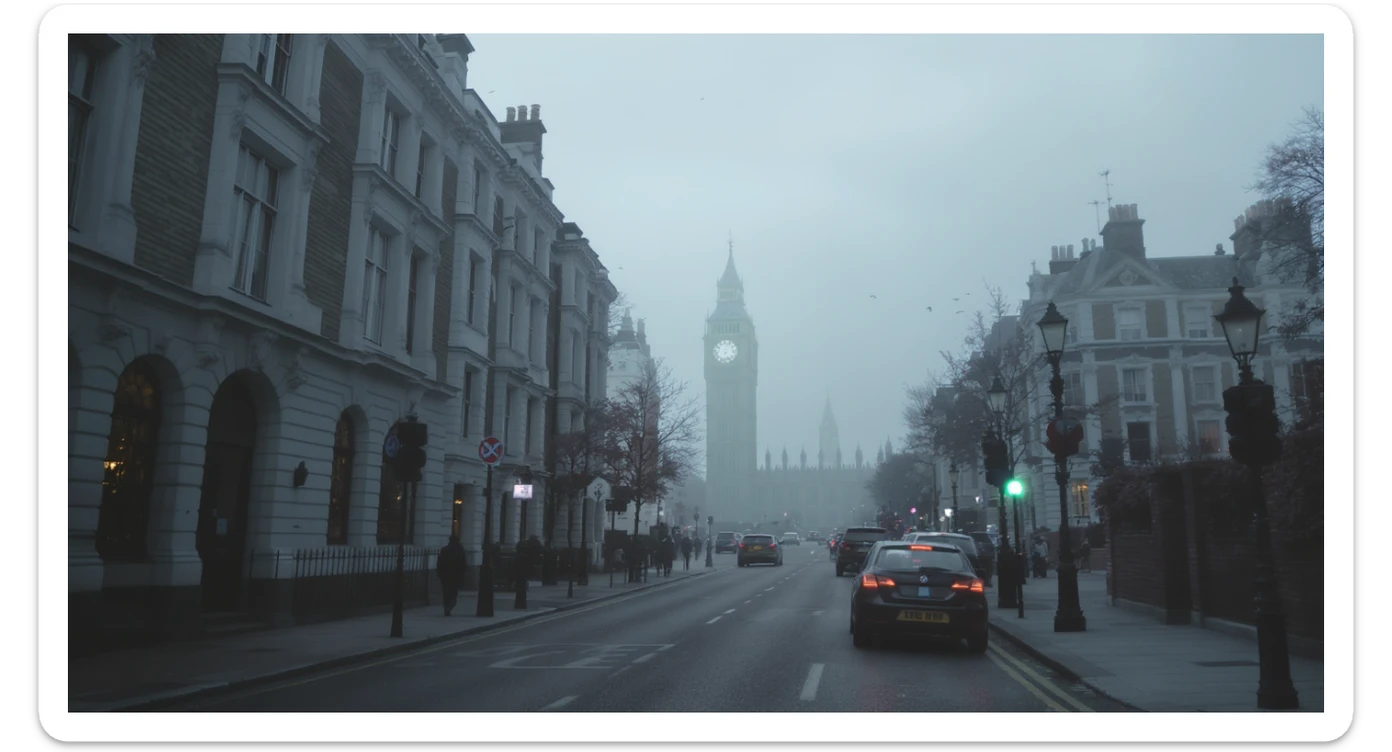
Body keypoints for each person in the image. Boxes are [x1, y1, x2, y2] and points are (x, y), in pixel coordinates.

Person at [437, 534, 468, 616]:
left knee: (446, 592)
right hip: (455, 575)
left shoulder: (444, 550)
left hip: (445, 575)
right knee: (453, 593)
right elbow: (463, 564)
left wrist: (439, 573)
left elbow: (439, 562)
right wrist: (463, 574)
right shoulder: (460, 550)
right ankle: (450, 606)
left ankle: (446, 607)